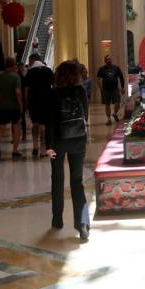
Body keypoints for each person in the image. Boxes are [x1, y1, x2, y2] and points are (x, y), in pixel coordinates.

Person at [46, 60, 90, 243]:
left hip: (58, 142)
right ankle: (82, 225)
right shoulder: (81, 91)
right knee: (77, 182)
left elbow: (49, 121)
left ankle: (57, 220)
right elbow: (85, 114)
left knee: (57, 179)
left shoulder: (53, 93)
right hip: (78, 140)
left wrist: (48, 146)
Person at [0, 57, 23, 160]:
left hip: (1, 106)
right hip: (14, 107)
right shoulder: (16, 76)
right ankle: (15, 150)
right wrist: (21, 105)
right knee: (16, 127)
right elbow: (18, 92)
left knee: (0, 127)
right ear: (14, 65)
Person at [26, 53, 54, 157]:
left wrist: (26, 104)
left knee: (35, 124)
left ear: (32, 60)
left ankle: (35, 146)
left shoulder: (30, 72)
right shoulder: (48, 70)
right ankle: (43, 149)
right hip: (46, 101)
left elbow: (26, 89)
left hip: (33, 101)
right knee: (43, 126)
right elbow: (53, 86)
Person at [97, 55, 125, 126]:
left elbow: (121, 78)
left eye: (109, 59)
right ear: (105, 61)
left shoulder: (116, 68)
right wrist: (101, 88)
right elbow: (98, 80)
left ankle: (115, 113)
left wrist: (122, 87)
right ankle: (109, 119)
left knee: (117, 103)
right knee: (107, 104)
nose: (108, 60)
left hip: (115, 89)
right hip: (106, 90)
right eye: (107, 59)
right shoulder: (101, 69)